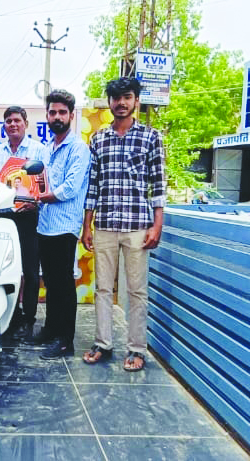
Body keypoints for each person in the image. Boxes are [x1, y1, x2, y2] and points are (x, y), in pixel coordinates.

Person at [81, 77, 166, 372]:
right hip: (104, 223)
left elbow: (158, 185)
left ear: (136, 101)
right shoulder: (98, 139)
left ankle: (137, 349)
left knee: (137, 290)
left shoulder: (151, 137)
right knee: (103, 288)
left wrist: (157, 225)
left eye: (127, 97)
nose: (121, 103)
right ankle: (103, 344)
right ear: (109, 102)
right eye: (116, 98)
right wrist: (87, 225)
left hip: (137, 224)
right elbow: (93, 185)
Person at [31, 89, 91, 360]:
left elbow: (70, 187)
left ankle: (66, 341)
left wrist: (42, 197)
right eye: (52, 112)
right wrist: (32, 195)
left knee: (64, 283)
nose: (57, 117)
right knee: (51, 281)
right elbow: (40, 183)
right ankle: (51, 329)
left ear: (71, 115)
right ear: (47, 115)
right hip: (45, 223)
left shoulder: (78, 148)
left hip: (65, 225)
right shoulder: (47, 148)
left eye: (62, 113)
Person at [0, 106, 46, 340]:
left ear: (26, 124)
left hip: (29, 216)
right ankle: (7, 315)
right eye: (8, 121)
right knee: (4, 267)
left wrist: (36, 201)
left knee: (30, 270)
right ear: (4, 126)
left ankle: (28, 317)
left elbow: (44, 183)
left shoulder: (38, 150)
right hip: (4, 216)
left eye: (17, 120)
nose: (13, 124)